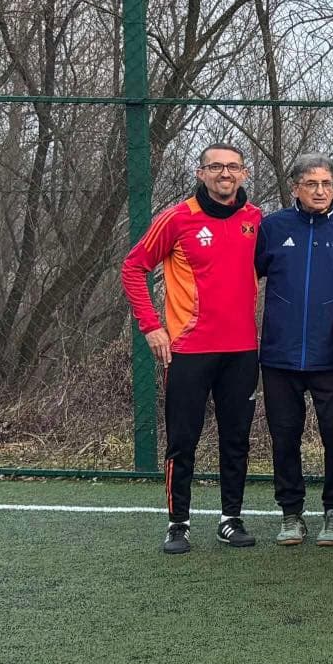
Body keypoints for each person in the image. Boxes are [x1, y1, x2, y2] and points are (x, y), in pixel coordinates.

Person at [121, 142, 265, 554]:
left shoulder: (255, 220)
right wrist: (151, 326)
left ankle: (230, 519)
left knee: (236, 438)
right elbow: (133, 267)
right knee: (183, 439)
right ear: (200, 173)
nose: (225, 173)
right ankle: (178, 523)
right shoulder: (177, 218)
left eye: (232, 167)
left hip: (241, 351)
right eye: (215, 166)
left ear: (245, 173)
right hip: (188, 350)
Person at [253, 154, 333, 548]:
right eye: (311, 184)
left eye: (326, 183)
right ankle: (291, 514)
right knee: (283, 436)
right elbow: (244, 278)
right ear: (295, 187)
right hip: (278, 356)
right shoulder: (271, 228)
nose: (320, 191)